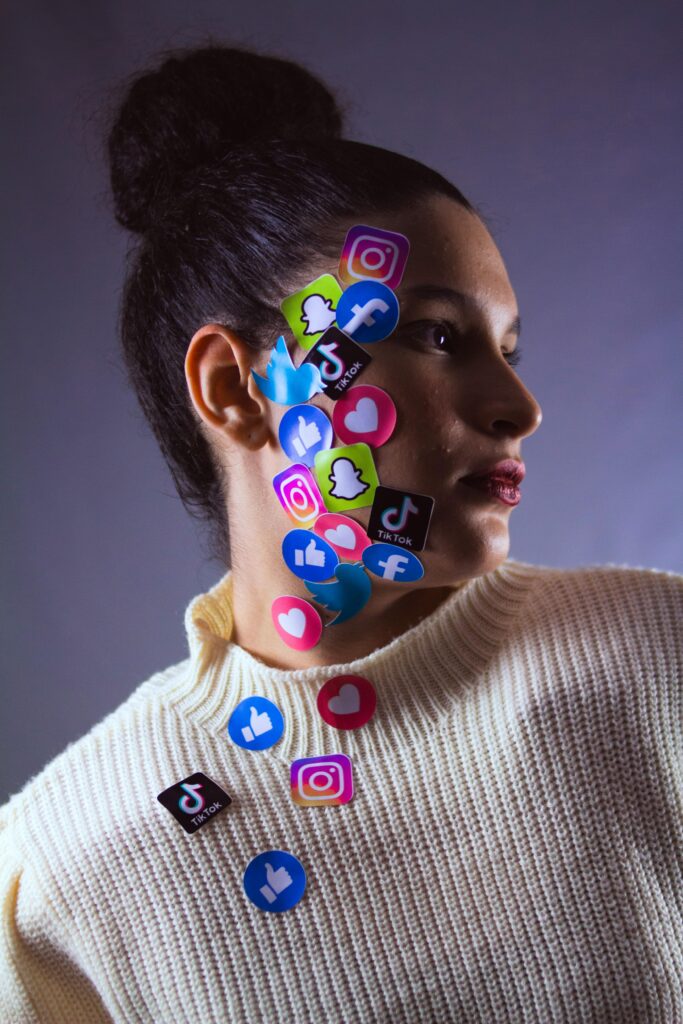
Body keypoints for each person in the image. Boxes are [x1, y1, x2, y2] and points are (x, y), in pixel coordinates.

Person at [1, 43, 681, 1024]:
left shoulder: (653, 664)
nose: (517, 404)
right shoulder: (60, 874)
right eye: (437, 335)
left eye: (507, 347)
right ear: (236, 389)